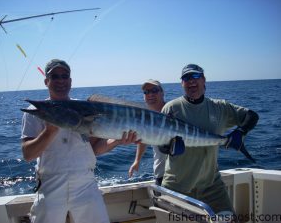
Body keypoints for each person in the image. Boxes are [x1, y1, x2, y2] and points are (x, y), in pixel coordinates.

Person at [21, 59, 138, 223]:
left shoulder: (85, 107)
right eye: (55, 76)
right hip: (50, 184)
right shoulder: (36, 112)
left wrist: (118, 140)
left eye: (64, 76)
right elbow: (28, 154)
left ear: (70, 81)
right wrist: (50, 131)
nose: (60, 80)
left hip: (86, 184)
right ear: (46, 81)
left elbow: (94, 149)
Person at [161, 64, 259, 217]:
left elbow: (252, 116)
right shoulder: (171, 108)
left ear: (204, 79)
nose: (191, 81)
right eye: (186, 78)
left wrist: (241, 131)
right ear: (182, 83)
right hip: (177, 186)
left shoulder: (220, 107)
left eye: (195, 76)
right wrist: (168, 147)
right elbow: (161, 144)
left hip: (212, 186)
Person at [128, 79, 166, 186]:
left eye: (154, 90)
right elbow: (143, 138)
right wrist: (137, 161)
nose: (150, 94)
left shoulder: (174, 111)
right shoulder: (145, 116)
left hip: (181, 174)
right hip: (161, 173)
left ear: (162, 92)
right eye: (146, 92)